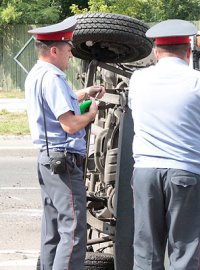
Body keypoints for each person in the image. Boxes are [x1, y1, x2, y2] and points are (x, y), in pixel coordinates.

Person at [128, 19, 200, 270]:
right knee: (185, 251)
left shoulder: (137, 80)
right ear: (188, 52)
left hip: (145, 173)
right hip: (186, 175)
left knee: (146, 251)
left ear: (156, 52)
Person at [24, 16, 105, 270]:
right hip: (64, 160)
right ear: (54, 50)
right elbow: (70, 125)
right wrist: (91, 114)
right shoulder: (54, 78)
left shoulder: (36, 74)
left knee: (53, 231)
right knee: (74, 231)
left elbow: (57, 104)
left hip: (48, 160)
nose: (71, 51)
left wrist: (83, 92)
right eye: (68, 46)